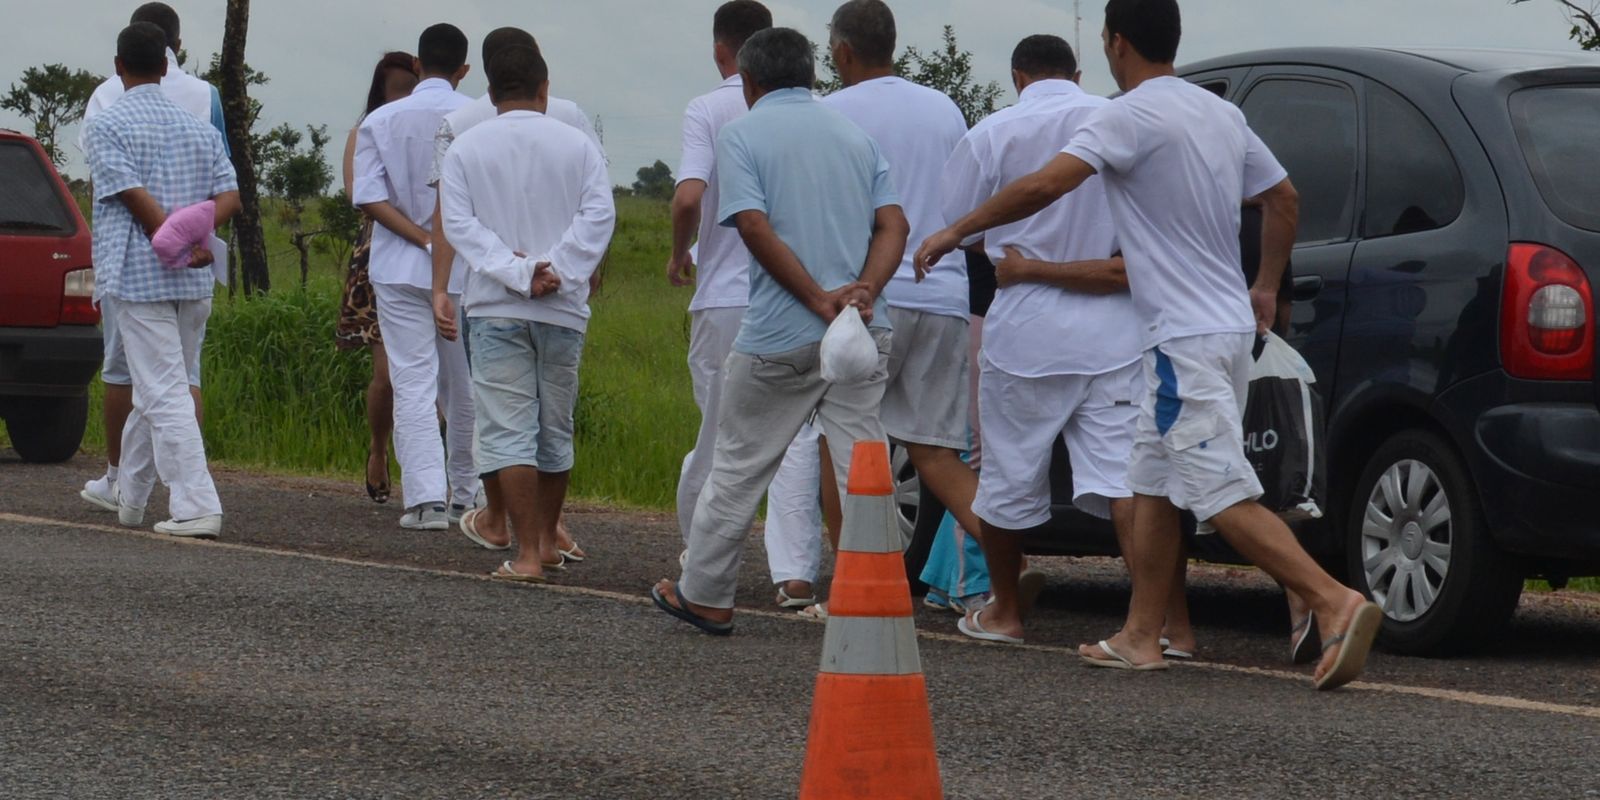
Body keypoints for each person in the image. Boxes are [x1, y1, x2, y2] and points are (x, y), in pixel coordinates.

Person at [914, 0, 1380, 689]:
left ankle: (1333, 601)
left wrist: (958, 230)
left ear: (1116, 43)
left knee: (1216, 490)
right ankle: (1141, 635)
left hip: (1179, 338)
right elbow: (1283, 198)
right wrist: (1263, 285)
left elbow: (1047, 184)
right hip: (1220, 328)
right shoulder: (1220, 113)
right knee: (1150, 483)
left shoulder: (1126, 115)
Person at [650, 27, 909, 635]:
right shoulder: (855, 135)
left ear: (748, 81)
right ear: (812, 75)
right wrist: (863, 290)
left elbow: (752, 225)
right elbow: (892, 225)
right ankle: (876, 600)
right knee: (863, 467)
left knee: (739, 464)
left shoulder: (741, 134)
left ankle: (708, 594)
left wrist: (817, 298)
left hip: (781, 334)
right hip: (863, 329)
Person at [935, 34, 1149, 646]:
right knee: (1120, 482)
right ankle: (1147, 621)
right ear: (1077, 73)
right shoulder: (1117, 120)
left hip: (1026, 323)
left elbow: (961, 226)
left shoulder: (993, 133)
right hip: (1112, 323)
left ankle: (1005, 612)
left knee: (1008, 475)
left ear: (1017, 77)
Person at [668, 0, 826, 610]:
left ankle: (699, 558)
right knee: (796, 438)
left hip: (728, 295)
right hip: (801, 294)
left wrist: (681, 253)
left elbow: (688, 197)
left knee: (718, 437)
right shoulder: (818, 112)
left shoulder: (709, 108)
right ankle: (794, 574)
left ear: (722, 50)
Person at [819, 1, 980, 584]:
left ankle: (853, 583)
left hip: (870, 299)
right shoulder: (943, 109)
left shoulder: (830, 111)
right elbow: (965, 198)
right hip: (943, 294)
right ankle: (1003, 573)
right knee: (935, 451)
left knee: (840, 441)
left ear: (842, 52)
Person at [439, 45, 614, 581]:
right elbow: (599, 214)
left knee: (507, 428)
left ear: (491, 95)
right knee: (553, 427)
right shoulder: (578, 145)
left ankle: (527, 555)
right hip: (562, 308)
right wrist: (557, 268)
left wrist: (519, 272)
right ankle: (547, 539)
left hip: (495, 306)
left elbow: (459, 225)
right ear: (545, 89)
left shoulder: (466, 148)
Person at [82, 21, 240, 538]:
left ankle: (196, 503)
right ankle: (130, 496)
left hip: (138, 276)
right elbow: (229, 198)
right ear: (168, 63)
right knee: (159, 387)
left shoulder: (108, 124)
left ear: (119, 66)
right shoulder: (198, 127)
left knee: (162, 390)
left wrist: (171, 239)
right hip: (195, 280)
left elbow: (130, 194)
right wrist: (196, 238)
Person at [353, 23, 478, 530]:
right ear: (464, 70)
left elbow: (368, 197)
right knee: (465, 384)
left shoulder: (381, 120)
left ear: (419, 66)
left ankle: (425, 500)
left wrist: (422, 239)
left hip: (397, 268)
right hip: (464, 270)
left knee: (411, 380)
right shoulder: (476, 117)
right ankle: (468, 495)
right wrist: (443, 243)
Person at [335, 51, 419, 504]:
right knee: (387, 375)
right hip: (380, 256)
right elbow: (358, 194)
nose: (405, 96)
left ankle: (432, 471)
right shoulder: (364, 132)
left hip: (436, 252)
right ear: (380, 92)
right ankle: (378, 449)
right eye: (397, 88)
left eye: (412, 85)